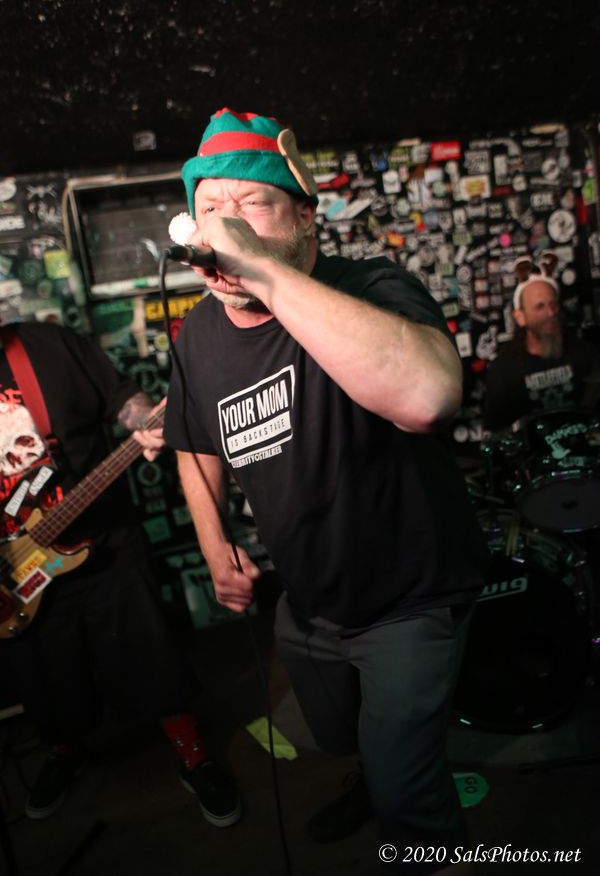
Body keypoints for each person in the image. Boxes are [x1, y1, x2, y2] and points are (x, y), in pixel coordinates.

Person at [164, 107, 490, 873]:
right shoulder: (200, 334)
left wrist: (266, 272)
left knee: (409, 789)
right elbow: (194, 443)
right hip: (308, 603)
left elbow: (430, 397)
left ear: (305, 216)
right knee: (342, 734)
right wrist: (214, 547)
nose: (225, 226)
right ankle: (371, 775)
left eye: (251, 204)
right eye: (210, 209)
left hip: (410, 594)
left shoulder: (371, 286)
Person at [0, 320, 241, 827]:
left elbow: (123, 400)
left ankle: (191, 751)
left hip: (104, 539)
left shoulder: (48, 344)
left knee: (150, 653)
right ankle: (65, 751)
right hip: (13, 571)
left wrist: (149, 421)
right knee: (44, 675)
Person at [484, 256, 600, 431]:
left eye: (553, 304)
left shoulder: (584, 354)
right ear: (520, 317)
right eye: (540, 307)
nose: (551, 313)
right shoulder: (504, 370)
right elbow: (496, 431)